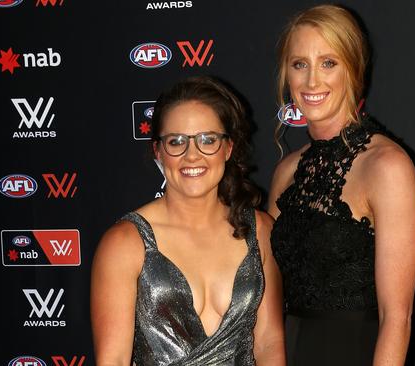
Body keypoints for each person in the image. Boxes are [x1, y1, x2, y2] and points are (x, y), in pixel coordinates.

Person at [91, 76, 285, 366]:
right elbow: (113, 360)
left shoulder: (260, 230)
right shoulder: (125, 243)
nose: (191, 155)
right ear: (158, 151)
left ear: (228, 148)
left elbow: (269, 344)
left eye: (208, 140)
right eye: (176, 142)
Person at [268, 5, 415, 366]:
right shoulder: (286, 171)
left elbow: (396, 318)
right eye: (299, 64)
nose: (311, 82)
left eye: (328, 63)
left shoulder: (387, 167)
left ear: (354, 68)